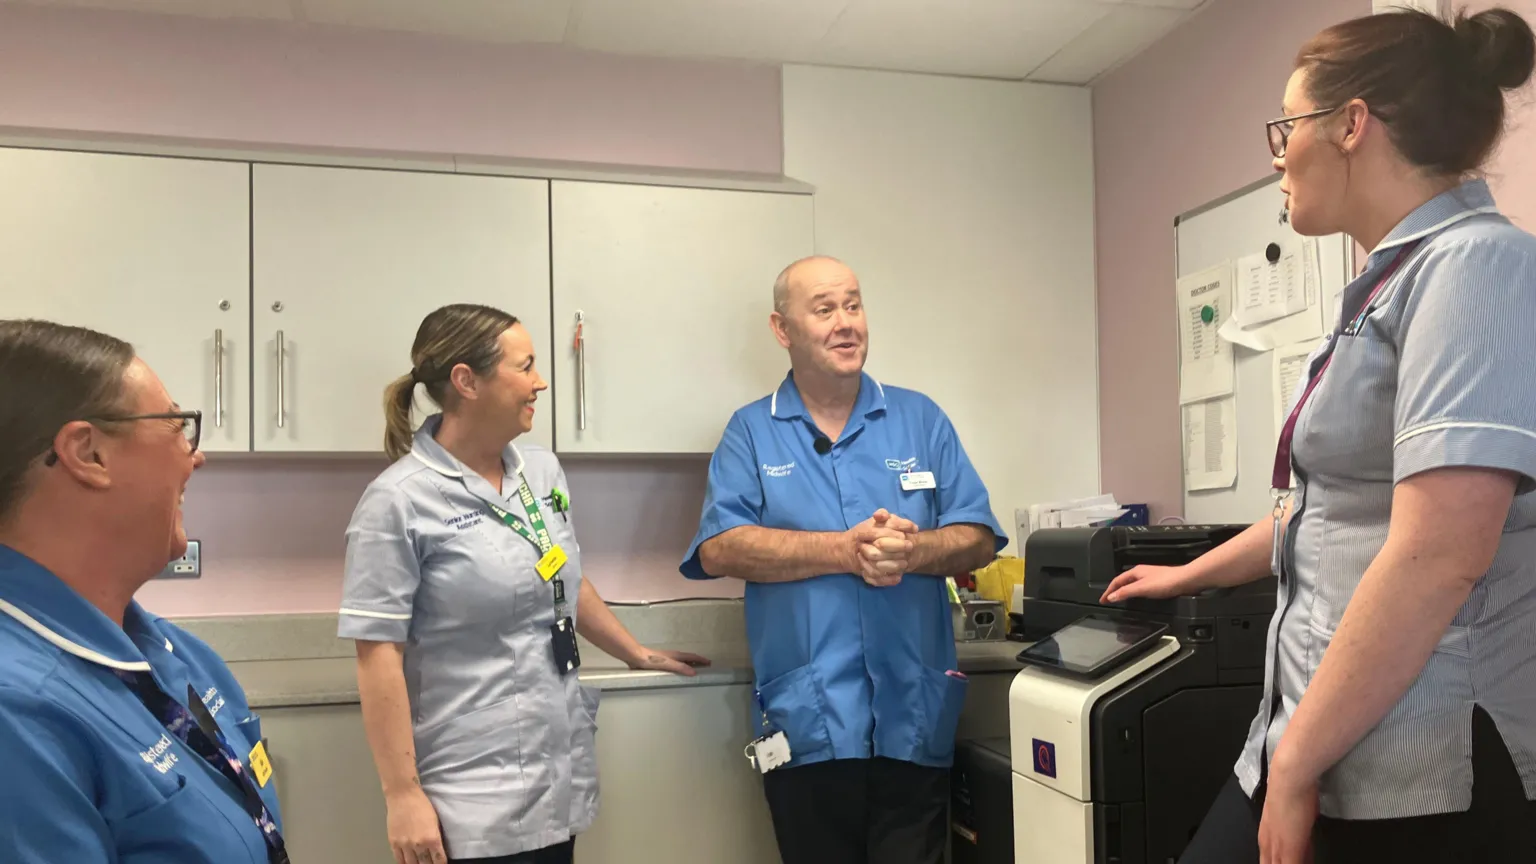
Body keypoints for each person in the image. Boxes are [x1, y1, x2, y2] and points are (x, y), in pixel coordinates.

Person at [1102, 8, 1536, 864]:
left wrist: (1295, 762)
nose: (1275, 153)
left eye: (1287, 125)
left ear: (1351, 123)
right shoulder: (1387, 285)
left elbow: (1439, 551)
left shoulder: (1478, 265)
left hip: (1424, 754)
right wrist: (1188, 571)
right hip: (1318, 727)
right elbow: (1325, 508)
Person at [340, 303, 709, 864]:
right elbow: (377, 654)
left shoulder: (540, 470)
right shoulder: (397, 500)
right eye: (526, 366)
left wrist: (634, 651)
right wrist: (402, 796)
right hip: (470, 797)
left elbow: (561, 574)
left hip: (555, 773)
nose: (540, 382)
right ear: (466, 381)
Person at [680, 256, 1006, 864]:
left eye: (853, 305)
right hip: (808, 720)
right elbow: (721, 546)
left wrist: (915, 549)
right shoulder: (751, 431)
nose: (845, 323)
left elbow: (980, 536)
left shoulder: (920, 419)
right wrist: (842, 550)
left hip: (913, 712)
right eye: (824, 309)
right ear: (783, 329)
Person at [0, 320, 287, 863]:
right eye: (177, 426)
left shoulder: (179, 656)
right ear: (88, 454)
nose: (194, 456)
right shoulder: (17, 715)